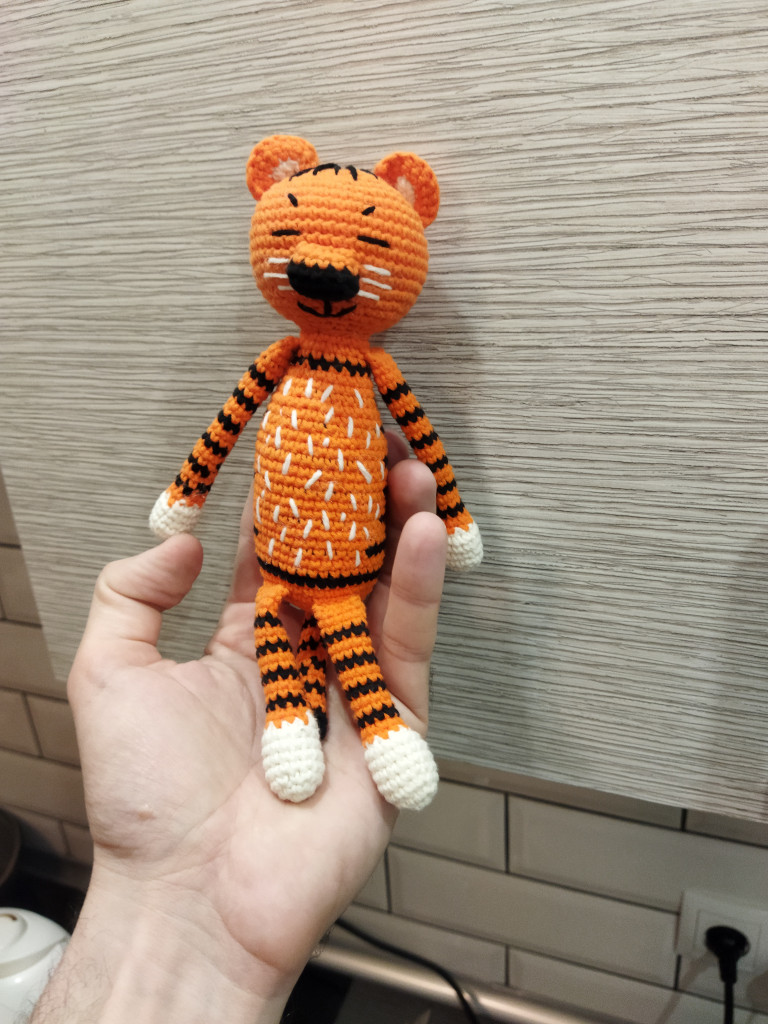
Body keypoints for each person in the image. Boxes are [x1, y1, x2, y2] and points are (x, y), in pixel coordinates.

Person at [30, 441, 447, 1024]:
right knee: (306, 657)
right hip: (284, 586)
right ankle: (321, 727)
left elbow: (413, 428)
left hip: (341, 584)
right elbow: (226, 429)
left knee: (336, 657)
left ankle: (357, 730)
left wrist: (183, 498)